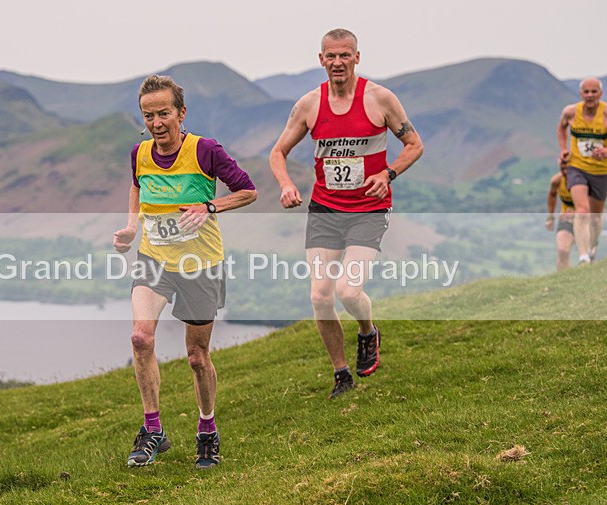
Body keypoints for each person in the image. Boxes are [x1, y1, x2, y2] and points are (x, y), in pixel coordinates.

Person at [269, 28, 423, 399]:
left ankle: (368, 332)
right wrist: (286, 185)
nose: (338, 62)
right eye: (331, 56)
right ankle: (341, 374)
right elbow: (277, 153)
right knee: (321, 296)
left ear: (357, 57)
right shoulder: (309, 105)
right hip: (324, 209)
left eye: (345, 55)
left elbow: (414, 144)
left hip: (368, 210)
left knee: (348, 290)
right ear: (321, 59)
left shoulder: (380, 98)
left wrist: (388, 174)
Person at [113, 75, 257, 469]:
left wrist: (210, 207)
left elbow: (248, 190)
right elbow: (137, 186)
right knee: (140, 337)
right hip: (154, 259)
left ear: (181, 113)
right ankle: (153, 430)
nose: (157, 123)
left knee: (196, 356)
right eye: (148, 115)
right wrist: (131, 226)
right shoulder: (139, 152)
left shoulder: (205, 150)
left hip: (199, 264)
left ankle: (207, 430)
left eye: (163, 114)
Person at [557, 77, 607, 264]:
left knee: (595, 217)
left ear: (600, 94)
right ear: (581, 94)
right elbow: (561, 128)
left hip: (600, 170)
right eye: (586, 92)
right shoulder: (570, 112)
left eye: (593, 92)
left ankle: (593, 246)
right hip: (577, 167)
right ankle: (583, 255)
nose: (590, 95)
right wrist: (563, 149)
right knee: (582, 209)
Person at [545, 164, 575, 272]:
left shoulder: (586, 180)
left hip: (586, 220)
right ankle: (564, 281)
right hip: (566, 218)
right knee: (562, 251)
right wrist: (551, 216)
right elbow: (552, 194)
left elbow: (596, 205)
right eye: (562, 169)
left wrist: (577, 213)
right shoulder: (557, 181)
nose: (565, 172)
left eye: (568, 169)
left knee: (587, 256)